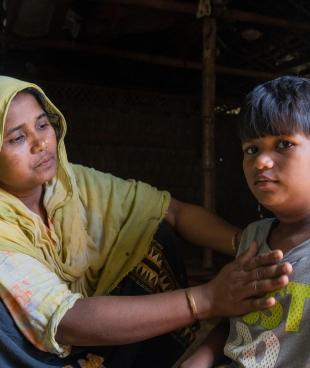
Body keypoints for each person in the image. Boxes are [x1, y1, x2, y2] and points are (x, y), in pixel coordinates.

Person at [0, 75, 292, 368]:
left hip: (97, 337)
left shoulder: (72, 184)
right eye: (17, 137)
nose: (40, 143)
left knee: (153, 233)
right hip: (43, 349)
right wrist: (207, 299)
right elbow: (65, 320)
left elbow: (175, 213)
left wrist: (257, 248)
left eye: (42, 124)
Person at [181, 75, 310, 368]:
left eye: (284, 144)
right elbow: (237, 322)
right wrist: (199, 359)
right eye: (252, 149)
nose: (261, 162)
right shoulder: (254, 237)